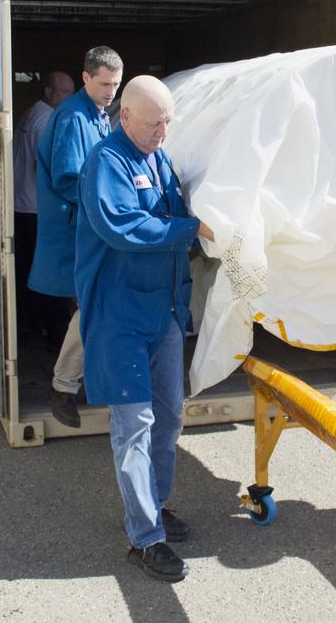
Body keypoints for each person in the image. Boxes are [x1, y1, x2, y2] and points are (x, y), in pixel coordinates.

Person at [75, 75, 213, 583]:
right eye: (153, 122)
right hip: (121, 319)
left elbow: (182, 211)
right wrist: (191, 229)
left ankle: (155, 504)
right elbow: (125, 227)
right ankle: (144, 537)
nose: (163, 130)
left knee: (171, 417)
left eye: (168, 121)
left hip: (165, 313)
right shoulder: (105, 163)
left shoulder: (159, 159)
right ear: (125, 116)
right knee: (133, 427)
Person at [29, 47, 124, 428]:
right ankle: (64, 387)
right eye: (103, 84)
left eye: (116, 85)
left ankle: (78, 385)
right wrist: (111, 211)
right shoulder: (73, 118)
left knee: (93, 309)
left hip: (88, 229)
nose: (110, 92)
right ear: (85, 78)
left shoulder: (98, 115)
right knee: (95, 307)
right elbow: (69, 179)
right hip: (78, 231)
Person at [13, 71, 74, 348]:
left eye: (71, 92)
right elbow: (45, 168)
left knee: (26, 270)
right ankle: (53, 333)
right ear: (49, 93)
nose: (69, 99)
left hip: (22, 205)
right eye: (64, 93)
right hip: (37, 209)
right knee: (49, 275)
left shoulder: (30, 114)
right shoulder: (48, 120)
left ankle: (31, 322)